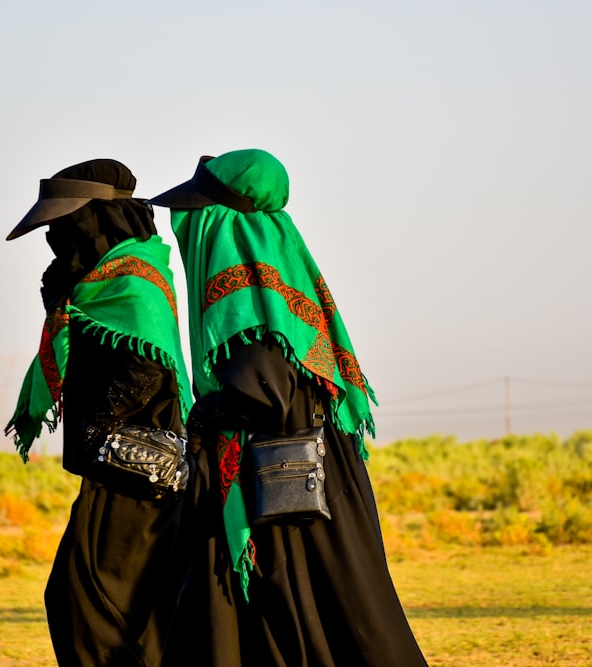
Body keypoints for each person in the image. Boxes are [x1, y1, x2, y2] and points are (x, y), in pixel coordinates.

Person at [149, 149, 427, 666]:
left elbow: (261, 389)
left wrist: (206, 412)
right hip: (319, 473)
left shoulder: (242, 284)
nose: (186, 226)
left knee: (307, 618)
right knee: (341, 610)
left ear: (222, 220)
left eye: (195, 213)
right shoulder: (287, 272)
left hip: (283, 484)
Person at [4, 159, 192, 667]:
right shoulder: (101, 281)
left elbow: (147, 369)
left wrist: (95, 428)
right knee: (104, 609)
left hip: (139, 481)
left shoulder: (134, 281)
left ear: (92, 219)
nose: (54, 239)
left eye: (62, 224)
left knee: (88, 606)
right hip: (111, 476)